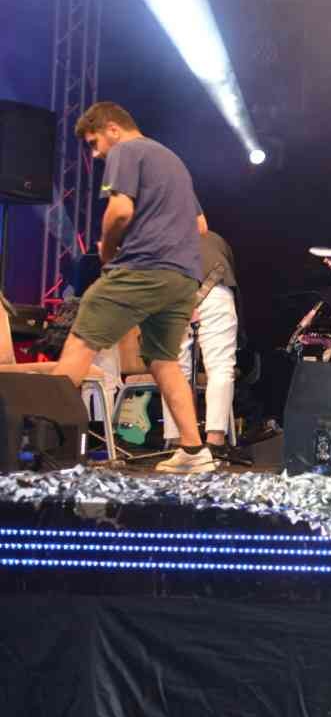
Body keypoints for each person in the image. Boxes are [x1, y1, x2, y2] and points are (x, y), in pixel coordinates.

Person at [51, 102, 211, 473]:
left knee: (80, 339)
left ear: (112, 128)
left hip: (142, 267)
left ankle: (43, 440)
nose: (95, 154)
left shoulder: (126, 150)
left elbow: (120, 210)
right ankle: (193, 451)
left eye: (94, 143)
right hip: (182, 276)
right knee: (163, 360)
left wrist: (108, 251)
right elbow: (200, 226)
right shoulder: (172, 161)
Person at [160, 223, 240, 453]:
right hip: (213, 289)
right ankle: (215, 441)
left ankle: (179, 440)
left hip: (172, 294)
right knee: (220, 366)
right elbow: (228, 269)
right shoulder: (214, 238)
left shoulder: (157, 235)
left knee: (173, 369)